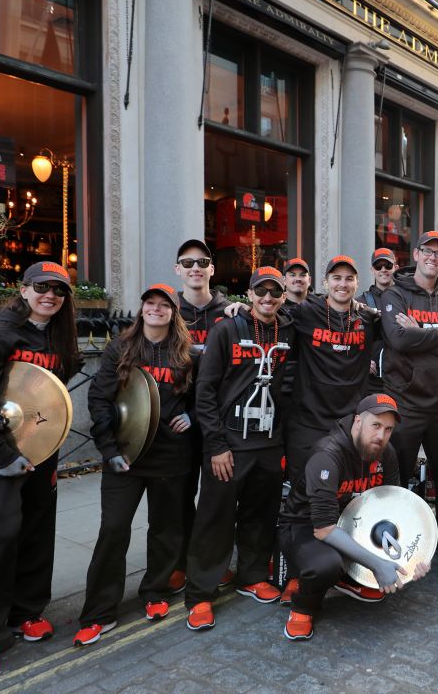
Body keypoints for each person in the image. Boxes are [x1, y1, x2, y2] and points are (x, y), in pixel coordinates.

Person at [0, 262, 84, 681]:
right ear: (24, 290)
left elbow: (54, 388)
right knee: (1, 533)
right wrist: (3, 456)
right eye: (42, 288)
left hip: (39, 448)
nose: (51, 296)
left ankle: (26, 613)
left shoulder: (59, 336)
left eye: (59, 291)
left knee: (37, 530)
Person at [72, 283, 197, 646]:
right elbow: (99, 400)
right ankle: (98, 611)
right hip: (125, 456)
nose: (156, 309)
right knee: (113, 529)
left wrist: (192, 417)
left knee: (165, 529)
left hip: (171, 458)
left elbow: (205, 398)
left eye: (163, 305)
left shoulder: (187, 354)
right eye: (150, 304)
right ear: (141, 309)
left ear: (174, 313)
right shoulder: (120, 348)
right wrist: (108, 449)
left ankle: (156, 591)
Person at [185, 267, 296, 629]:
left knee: (260, 513)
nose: (267, 299)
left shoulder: (288, 328)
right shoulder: (226, 329)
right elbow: (205, 390)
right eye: (260, 292)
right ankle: (200, 593)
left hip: (267, 440)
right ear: (247, 295)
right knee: (215, 517)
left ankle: (251, 575)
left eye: (274, 293)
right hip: (229, 441)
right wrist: (215, 444)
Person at [278, 394, 430, 640]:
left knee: (382, 552)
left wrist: (414, 558)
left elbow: (394, 509)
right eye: (376, 426)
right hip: (306, 525)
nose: (381, 436)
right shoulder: (327, 455)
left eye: (388, 429)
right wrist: (378, 564)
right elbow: (324, 529)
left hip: (354, 523)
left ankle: (347, 578)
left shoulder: (386, 453)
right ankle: (304, 607)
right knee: (325, 565)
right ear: (358, 422)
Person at [277, 255, 381, 603]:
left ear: (356, 282)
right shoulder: (305, 313)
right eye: (335, 278)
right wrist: (234, 310)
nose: (342, 284)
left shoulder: (368, 318)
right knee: (300, 500)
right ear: (325, 283)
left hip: (346, 425)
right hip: (307, 422)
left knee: (343, 496)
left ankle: (345, 570)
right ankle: (296, 570)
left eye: (349, 279)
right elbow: (270, 314)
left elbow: (396, 333)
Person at [379, 231, 438, 575]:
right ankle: (391, 545)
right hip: (406, 402)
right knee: (396, 477)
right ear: (417, 254)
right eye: (428, 251)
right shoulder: (395, 294)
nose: (433, 258)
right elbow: (398, 338)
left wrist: (422, 333)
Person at [169, 238, 229, 595]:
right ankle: (178, 563)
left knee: (215, 499)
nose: (195, 268)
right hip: (175, 419)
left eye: (201, 262)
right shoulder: (164, 309)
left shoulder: (228, 313)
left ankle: (211, 561)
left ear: (211, 269)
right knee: (178, 498)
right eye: (187, 262)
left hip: (215, 418)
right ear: (178, 270)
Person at [361, 248, 397, 395]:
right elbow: (350, 340)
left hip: (400, 378)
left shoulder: (405, 299)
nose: (383, 270)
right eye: (378, 266)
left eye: (388, 265)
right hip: (372, 380)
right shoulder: (360, 302)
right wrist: (361, 361)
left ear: (395, 267)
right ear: (372, 270)